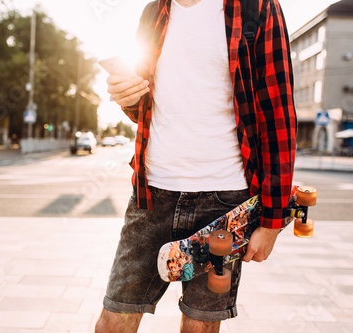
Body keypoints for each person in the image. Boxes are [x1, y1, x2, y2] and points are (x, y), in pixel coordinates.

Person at [95, 0, 297, 332]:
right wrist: (125, 95)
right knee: (114, 321)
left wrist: (272, 222)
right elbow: (146, 108)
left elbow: (279, 115)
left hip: (225, 207)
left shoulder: (257, 7)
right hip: (151, 198)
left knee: (201, 326)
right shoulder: (153, 13)